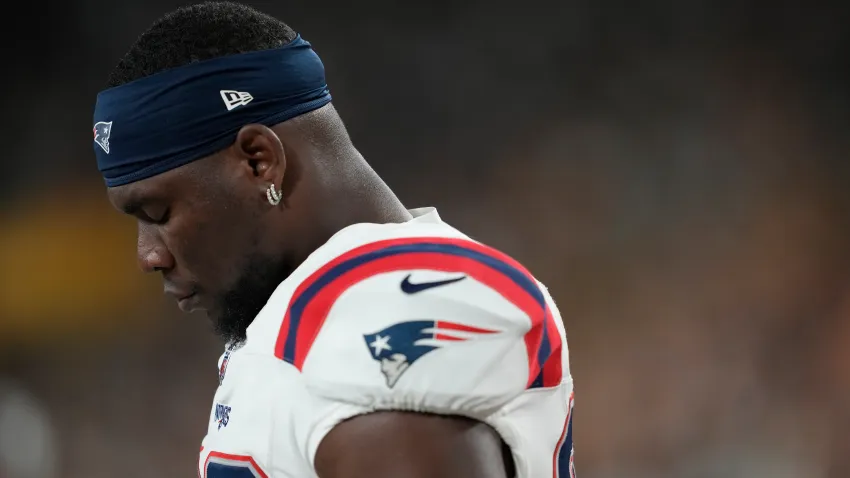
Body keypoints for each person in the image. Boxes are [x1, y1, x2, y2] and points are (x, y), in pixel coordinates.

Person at [92, 2, 575, 477]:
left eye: (158, 213)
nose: (148, 256)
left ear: (259, 161)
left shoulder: (384, 310)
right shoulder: (324, 306)